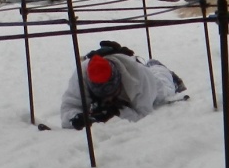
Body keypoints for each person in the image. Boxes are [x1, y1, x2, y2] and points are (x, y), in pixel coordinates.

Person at [58, 40, 189, 130]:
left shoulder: (138, 77)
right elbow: (68, 108)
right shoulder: (81, 76)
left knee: (164, 88)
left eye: (110, 90)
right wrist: (77, 118)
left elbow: (144, 116)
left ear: (117, 79)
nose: (108, 98)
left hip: (149, 79)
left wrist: (117, 112)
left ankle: (158, 67)